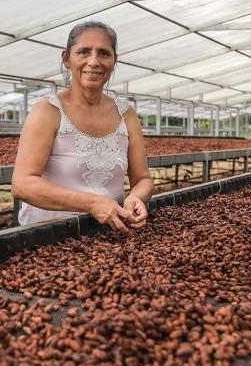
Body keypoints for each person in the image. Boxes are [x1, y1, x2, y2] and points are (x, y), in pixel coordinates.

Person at [11, 21, 154, 232]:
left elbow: (143, 179)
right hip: (47, 237)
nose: (94, 61)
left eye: (104, 53)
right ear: (66, 58)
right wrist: (92, 203)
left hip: (109, 235)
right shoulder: (48, 111)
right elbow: (22, 184)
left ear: (114, 61)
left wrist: (135, 197)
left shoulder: (126, 115)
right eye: (84, 52)